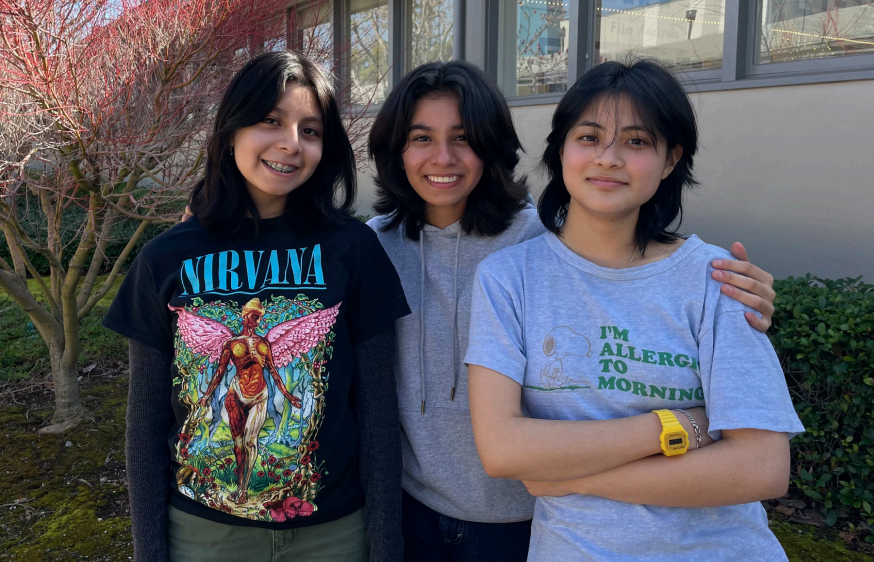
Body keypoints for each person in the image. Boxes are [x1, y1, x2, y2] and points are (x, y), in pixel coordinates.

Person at [366, 60, 779, 562]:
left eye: (464, 137)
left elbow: (761, 461)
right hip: (420, 509)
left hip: (533, 514)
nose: (443, 157)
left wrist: (742, 299)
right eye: (420, 138)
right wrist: (681, 425)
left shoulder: (538, 241)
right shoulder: (376, 248)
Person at [104, 52, 410, 562]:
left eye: (310, 130)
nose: (291, 144)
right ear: (230, 133)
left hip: (333, 536)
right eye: (271, 121)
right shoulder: (166, 258)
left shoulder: (353, 251)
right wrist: (148, 551)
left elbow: (378, 414)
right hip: (204, 538)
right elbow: (146, 422)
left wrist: (384, 548)